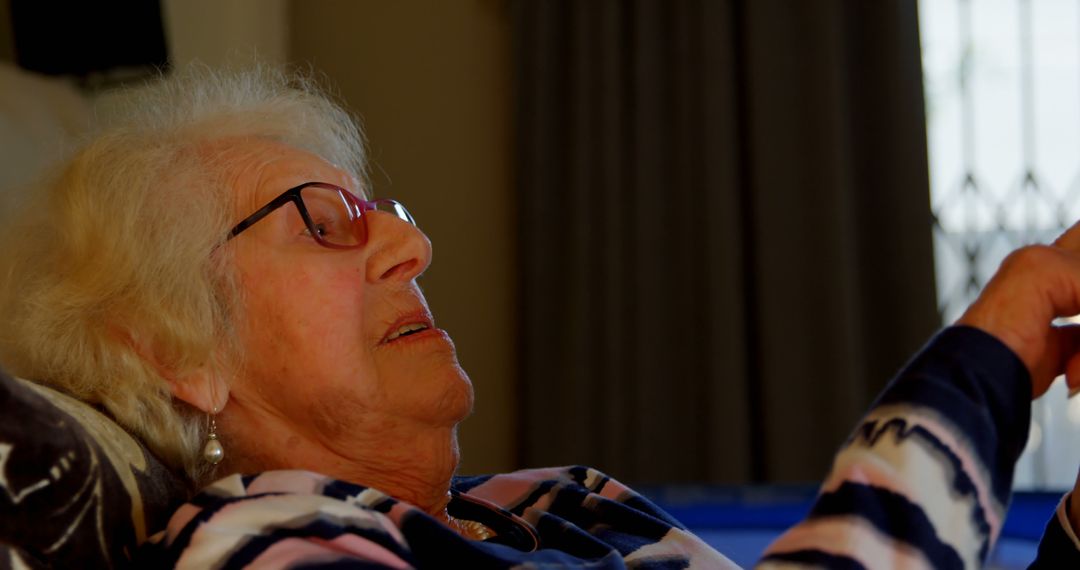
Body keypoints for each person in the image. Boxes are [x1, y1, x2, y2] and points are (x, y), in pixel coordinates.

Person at [0, 64, 1076, 568]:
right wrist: (987, 359)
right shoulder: (266, 549)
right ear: (176, 350)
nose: (415, 248)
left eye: (392, 215)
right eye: (327, 221)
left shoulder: (562, 504)